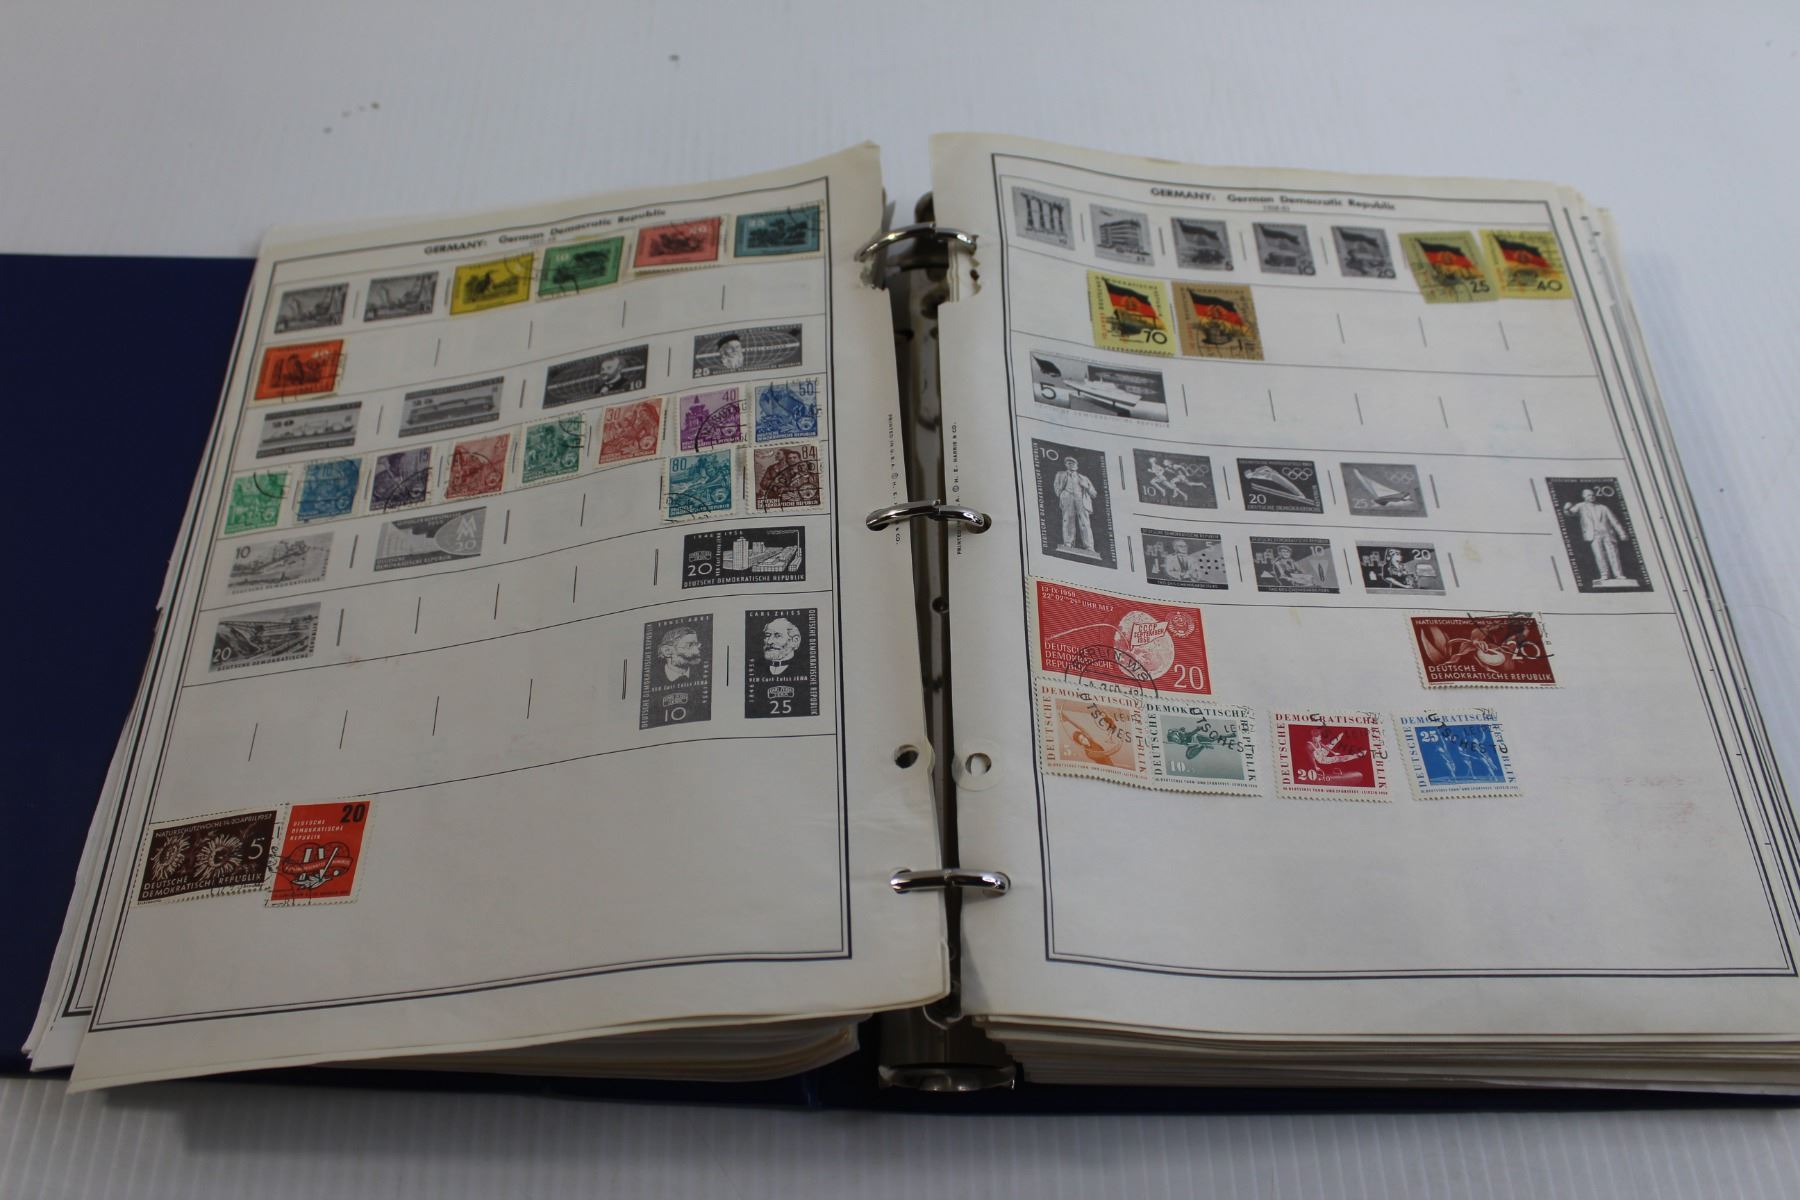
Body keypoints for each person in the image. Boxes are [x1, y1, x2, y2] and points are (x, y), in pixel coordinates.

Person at [1562, 487, 1634, 585]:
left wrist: (1622, 533)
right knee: (1599, 555)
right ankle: (1604, 575)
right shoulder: (1581, 506)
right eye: (1588, 495)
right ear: (1584, 496)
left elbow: (1614, 521)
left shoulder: (1603, 507)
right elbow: (1570, 513)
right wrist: (1566, 508)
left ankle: (1618, 574)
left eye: (1592, 495)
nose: (1591, 497)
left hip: (1607, 533)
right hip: (1594, 534)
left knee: (1613, 554)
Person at [1053, 455, 1098, 555]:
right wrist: (1061, 494)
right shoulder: (1060, 474)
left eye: (1073, 463)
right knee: (1068, 520)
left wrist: (1086, 486)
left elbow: (1094, 494)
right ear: (1066, 465)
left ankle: (1089, 547)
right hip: (1068, 497)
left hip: (1081, 499)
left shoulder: (1083, 478)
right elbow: (1056, 485)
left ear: (1077, 465)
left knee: (1085, 523)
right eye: (1069, 463)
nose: (1071, 464)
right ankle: (1068, 543)